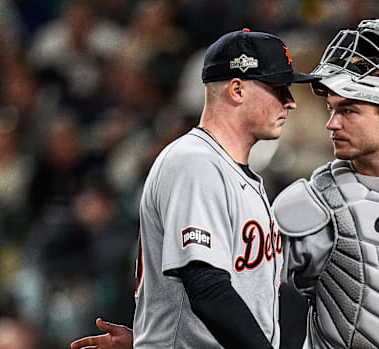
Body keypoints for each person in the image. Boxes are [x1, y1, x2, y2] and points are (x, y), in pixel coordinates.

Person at [72, 19, 379, 349]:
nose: (325, 121)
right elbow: (215, 289)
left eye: (347, 109)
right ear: (236, 89)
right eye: (330, 107)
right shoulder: (305, 202)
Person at [70, 28, 317, 349]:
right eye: (278, 88)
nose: (290, 102)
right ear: (238, 90)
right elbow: (206, 287)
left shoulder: (236, 174)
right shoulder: (194, 163)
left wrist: (149, 339)